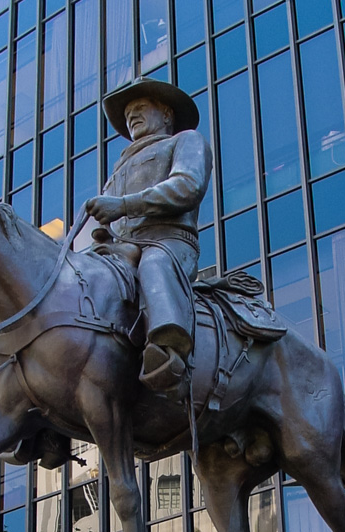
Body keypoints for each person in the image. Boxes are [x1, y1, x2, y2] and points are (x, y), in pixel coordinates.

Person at [85, 78, 212, 396]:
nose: (132, 116)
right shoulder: (119, 168)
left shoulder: (185, 142)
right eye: (128, 113)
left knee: (154, 266)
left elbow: (187, 187)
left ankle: (168, 349)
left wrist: (123, 204)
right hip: (123, 251)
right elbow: (111, 222)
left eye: (140, 108)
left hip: (169, 242)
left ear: (166, 114)